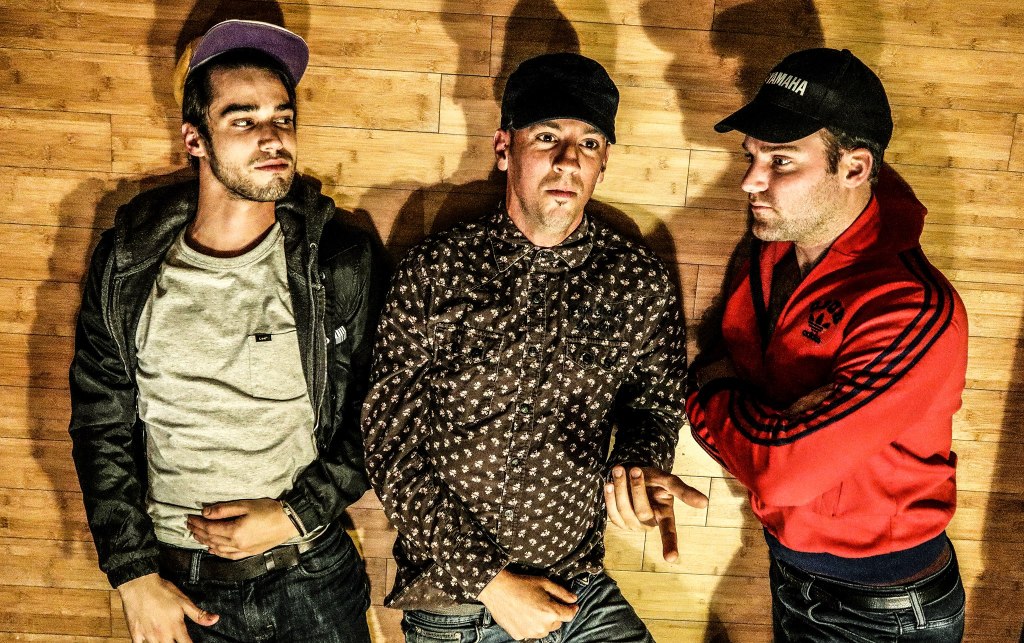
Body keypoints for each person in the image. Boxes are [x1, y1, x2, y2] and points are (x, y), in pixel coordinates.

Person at [362, 52, 708, 643]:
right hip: (459, 603)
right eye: (547, 137)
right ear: (504, 148)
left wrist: (640, 466)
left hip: (580, 587)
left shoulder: (637, 281)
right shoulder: (435, 270)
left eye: (589, 143)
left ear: (603, 163)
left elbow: (654, 405)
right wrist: (492, 583)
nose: (568, 160)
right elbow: (390, 445)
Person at [68, 19, 381, 643]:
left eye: (283, 117)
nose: (272, 137)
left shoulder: (336, 260)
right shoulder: (129, 264)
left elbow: (382, 413)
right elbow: (100, 422)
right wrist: (132, 575)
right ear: (196, 138)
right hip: (178, 586)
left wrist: (296, 514)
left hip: (312, 574)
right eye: (243, 120)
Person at [686, 47, 968, 641]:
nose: (750, 181)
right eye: (752, 156)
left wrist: (712, 394)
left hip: (886, 611)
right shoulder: (769, 254)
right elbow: (741, 395)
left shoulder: (910, 307)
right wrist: (763, 423)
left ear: (855, 168)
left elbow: (780, 473)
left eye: (781, 161)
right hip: (790, 570)